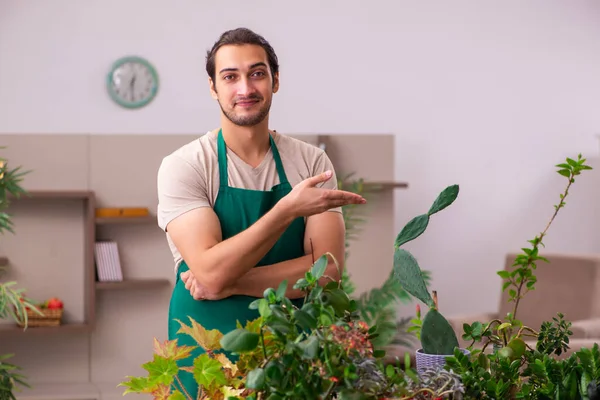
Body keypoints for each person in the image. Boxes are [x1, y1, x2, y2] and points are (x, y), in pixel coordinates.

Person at [156, 27, 366, 397]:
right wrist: (287, 210)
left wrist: (231, 282)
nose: (245, 89)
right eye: (230, 76)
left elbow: (328, 271)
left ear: (275, 80)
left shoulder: (309, 160)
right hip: (207, 347)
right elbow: (208, 269)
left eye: (257, 73)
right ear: (213, 87)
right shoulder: (187, 165)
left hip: (292, 345)